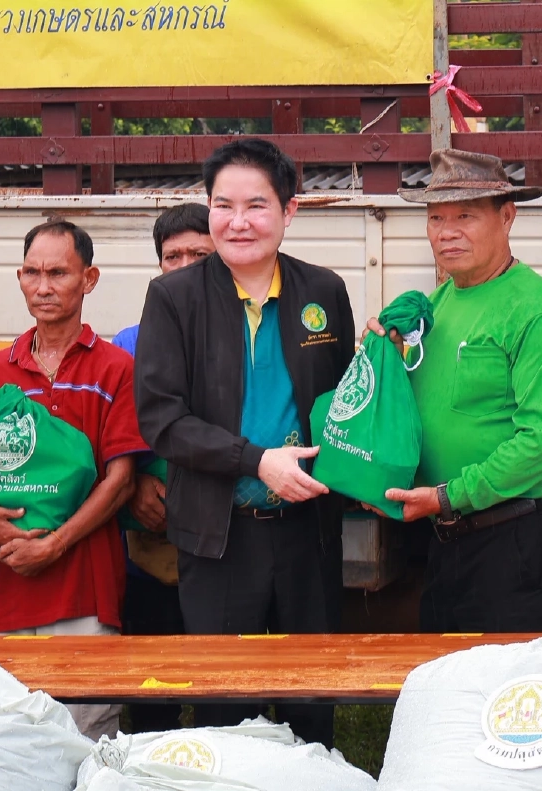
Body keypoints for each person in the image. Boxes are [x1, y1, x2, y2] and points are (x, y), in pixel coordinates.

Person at [135, 139, 354, 748]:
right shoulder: (174, 298)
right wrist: (256, 461)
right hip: (218, 535)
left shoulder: (323, 291)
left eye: (256, 205)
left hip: (307, 531)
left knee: (311, 706)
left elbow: (344, 402)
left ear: (290, 211)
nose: (238, 221)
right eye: (222, 204)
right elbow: (162, 420)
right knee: (222, 709)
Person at [0, 219, 146, 740]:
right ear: (18, 277)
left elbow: (122, 479)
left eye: (58, 272)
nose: (43, 286)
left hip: (86, 589)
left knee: (85, 740)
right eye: (32, 272)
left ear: (89, 278)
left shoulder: (115, 368)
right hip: (6, 589)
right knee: (7, 742)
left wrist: (55, 544)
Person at [374, 148, 542, 634]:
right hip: (450, 536)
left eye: (465, 215)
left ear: (506, 217)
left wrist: (447, 497)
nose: (446, 232)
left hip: (517, 541)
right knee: (451, 687)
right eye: (435, 218)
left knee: (515, 696)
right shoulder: (438, 302)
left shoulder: (538, 311)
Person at [112, 203, 213, 734]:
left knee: (223, 679)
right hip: (149, 540)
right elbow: (107, 434)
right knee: (153, 684)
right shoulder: (127, 344)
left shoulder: (246, 336)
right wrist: (132, 486)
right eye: (172, 256)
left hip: (225, 534)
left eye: (199, 253)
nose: (185, 265)